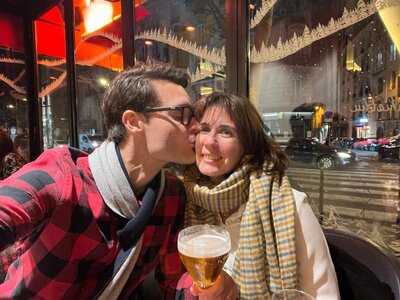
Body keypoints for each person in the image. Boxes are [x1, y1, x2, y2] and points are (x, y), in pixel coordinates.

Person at [0, 64, 198, 299]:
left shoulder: (172, 195)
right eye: (182, 114)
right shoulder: (62, 176)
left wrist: (204, 290)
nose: (195, 126)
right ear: (133, 121)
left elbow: (174, 283)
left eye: (194, 116)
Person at [180, 93, 339, 299]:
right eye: (204, 129)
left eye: (226, 132)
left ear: (247, 145)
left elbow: (324, 294)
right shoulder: (191, 199)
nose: (209, 142)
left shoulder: (290, 204)